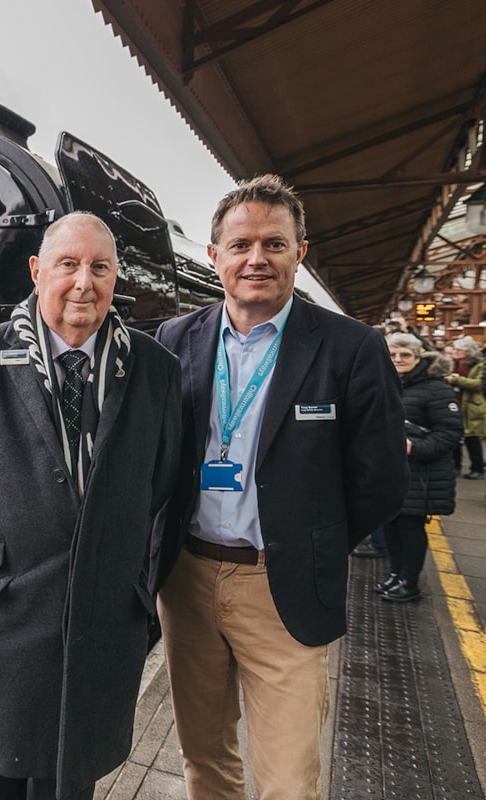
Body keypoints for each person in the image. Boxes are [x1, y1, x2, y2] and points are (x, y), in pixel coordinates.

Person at [150, 174, 409, 800]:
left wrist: (311, 542)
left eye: (274, 243)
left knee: (288, 780)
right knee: (203, 758)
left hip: (282, 583)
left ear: (301, 251)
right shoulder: (174, 339)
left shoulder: (352, 347)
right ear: (214, 256)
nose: (256, 258)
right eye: (240, 245)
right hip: (187, 580)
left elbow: (381, 480)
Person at [0, 212, 182, 800]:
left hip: (99, 627)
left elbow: (160, 484)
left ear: (116, 278)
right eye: (68, 264)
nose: (84, 282)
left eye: (100, 267)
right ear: (37, 272)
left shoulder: (157, 370)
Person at [378, 334, 461, 601]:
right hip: (391, 469)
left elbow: (450, 433)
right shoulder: (388, 382)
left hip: (421, 473)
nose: (398, 360)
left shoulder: (437, 389)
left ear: (418, 356)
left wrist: (414, 448)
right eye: (392, 355)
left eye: (405, 355)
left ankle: (409, 582)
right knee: (390, 523)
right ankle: (395, 575)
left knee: (411, 527)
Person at [446, 336, 485, 479]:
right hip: (455, 404)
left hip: (471, 406)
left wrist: (455, 380)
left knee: (472, 439)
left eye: (458, 349)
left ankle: (478, 468)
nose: (455, 352)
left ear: (468, 351)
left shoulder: (479, 366)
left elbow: (477, 384)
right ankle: (456, 467)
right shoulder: (453, 364)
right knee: (455, 438)